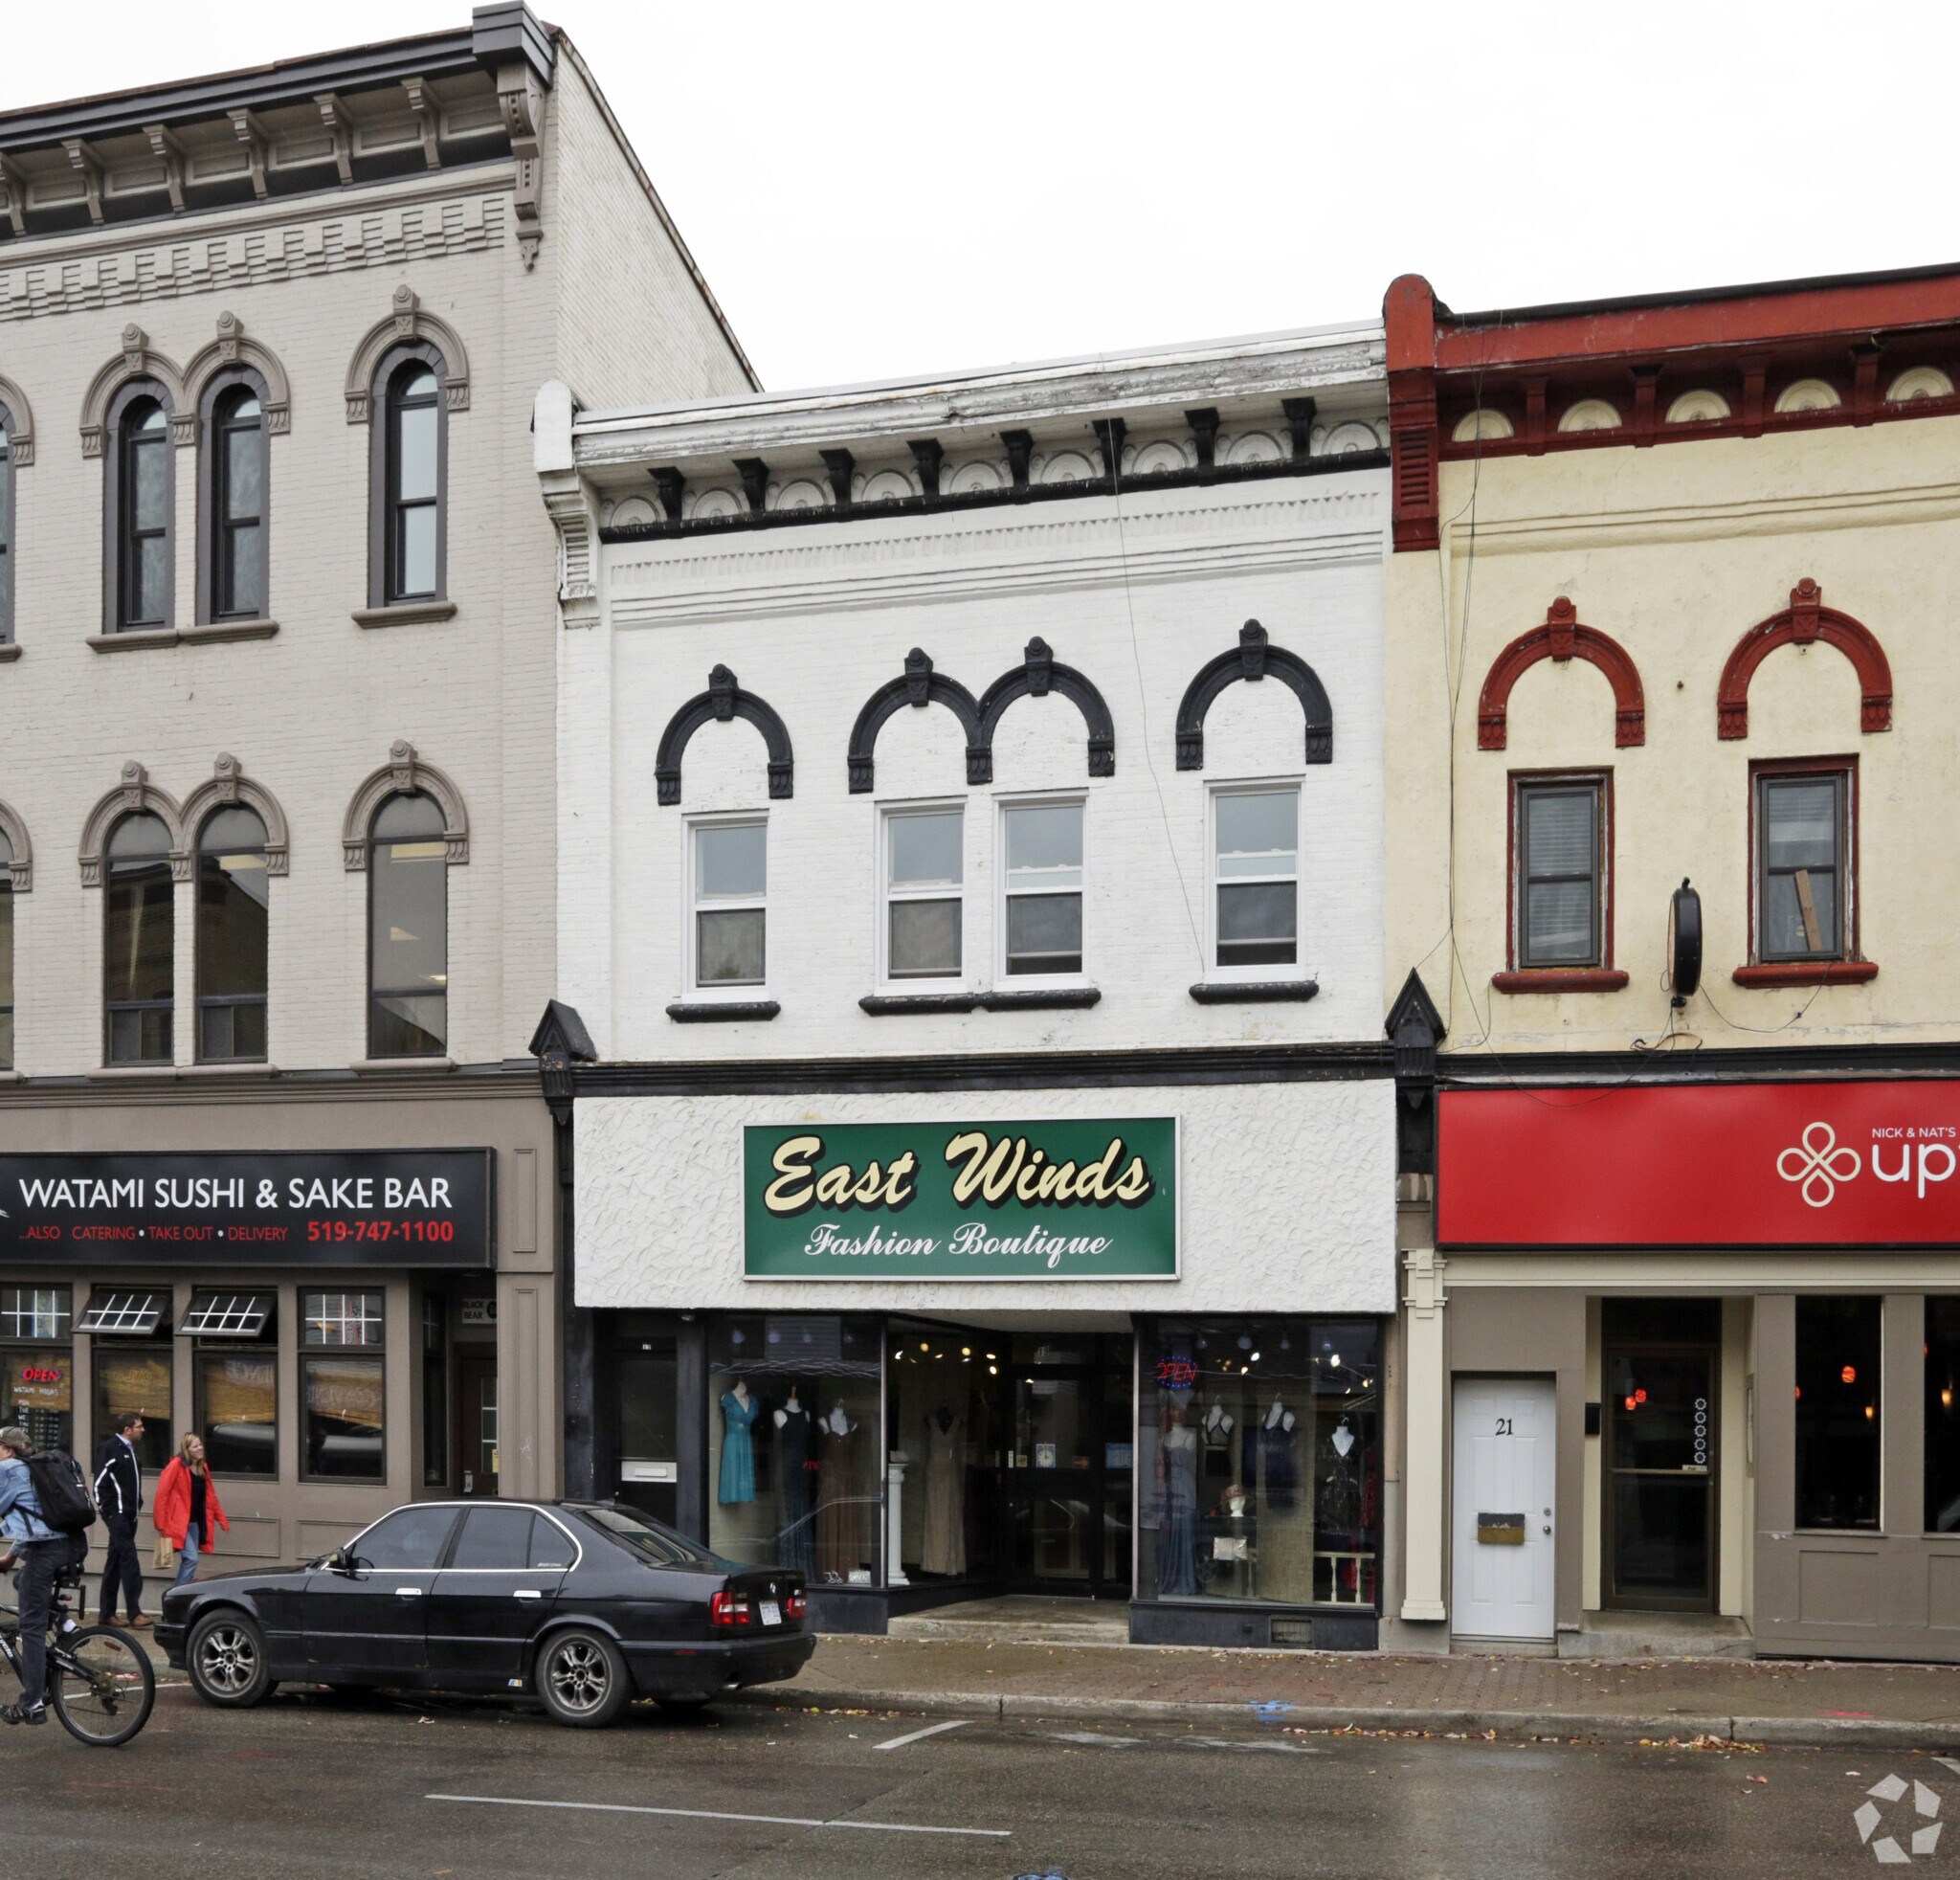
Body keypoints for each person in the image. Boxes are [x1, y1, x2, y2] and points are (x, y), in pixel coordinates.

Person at [0, 1424, 64, 1726]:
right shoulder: (40, 1468)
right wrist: (11, 1557)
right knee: (21, 1580)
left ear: (9, 1450)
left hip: (48, 1553)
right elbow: (34, 1519)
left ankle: (32, 1705)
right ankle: (66, 1625)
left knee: (32, 1630)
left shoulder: (10, 1469)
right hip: (72, 1547)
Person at [92, 1412, 148, 1628]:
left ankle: (106, 1613)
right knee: (129, 1559)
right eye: (139, 1426)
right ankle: (135, 1613)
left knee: (114, 1563)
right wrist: (109, 1511)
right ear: (127, 1429)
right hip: (118, 1515)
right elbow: (99, 1484)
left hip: (130, 1515)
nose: (142, 1430)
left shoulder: (131, 1451)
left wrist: (137, 1504)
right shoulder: (111, 1449)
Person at [154, 1433, 228, 1587]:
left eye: (200, 1444)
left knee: (190, 1559)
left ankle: (182, 1597)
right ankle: (176, 1596)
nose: (200, 1448)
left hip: (194, 1522)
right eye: (195, 1446)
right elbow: (162, 1494)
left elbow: (210, 1496)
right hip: (176, 1522)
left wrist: (221, 1518)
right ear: (187, 1449)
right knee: (191, 1558)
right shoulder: (176, 1465)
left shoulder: (203, 1467)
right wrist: (160, 1523)